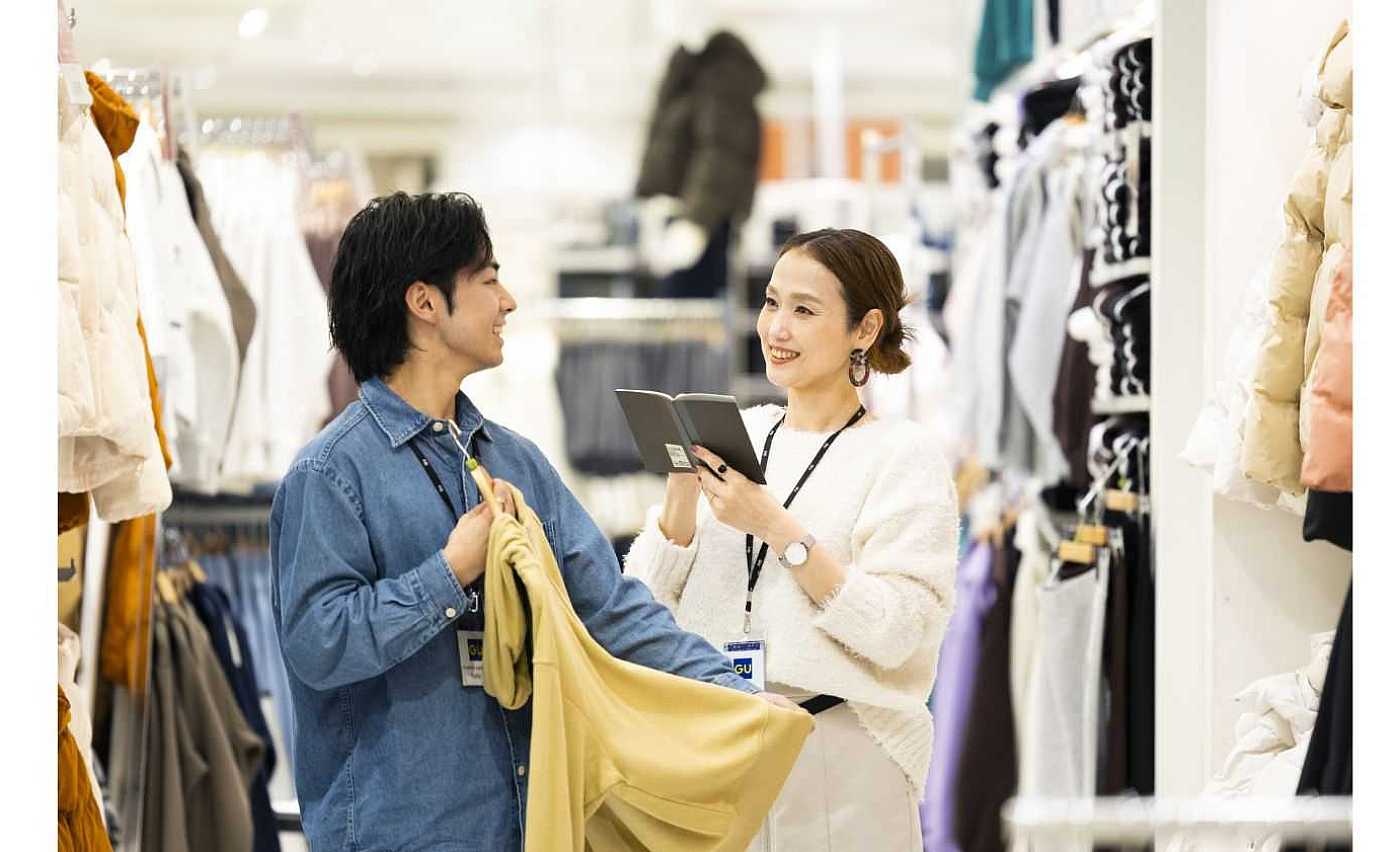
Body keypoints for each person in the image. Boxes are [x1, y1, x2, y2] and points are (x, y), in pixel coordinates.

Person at [268, 191, 794, 852]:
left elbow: (609, 608)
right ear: (424, 302)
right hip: (396, 834)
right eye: (488, 280)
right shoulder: (331, 473)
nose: (509, 301)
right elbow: (318, 645)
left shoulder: (514, 459)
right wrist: (451, 571)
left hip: (523, 825)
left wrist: (732, 691)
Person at [625, 228, 961, 851]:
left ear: (865, 329)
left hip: (839, 753)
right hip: (719, 746)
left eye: (804, 310)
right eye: (771, 302)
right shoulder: (743, 433)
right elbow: (642, 609)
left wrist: (775, 527)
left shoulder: (902, 455)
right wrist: (680, 496)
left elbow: (896, 633)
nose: (776, 328)